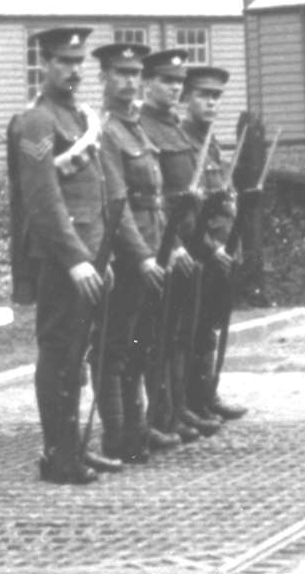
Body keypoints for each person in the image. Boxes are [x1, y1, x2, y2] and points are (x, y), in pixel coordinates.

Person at [7, 26, 112, 485]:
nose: (73, 71)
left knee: (77, 352)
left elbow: (99, 191)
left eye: (78, 62)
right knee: (59, 352)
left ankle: (74, 449)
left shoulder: (79, 117)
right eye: (63, 62)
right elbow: (43, 201)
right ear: (44, 65)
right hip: (61, 258)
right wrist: (74, 258)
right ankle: (58, 454)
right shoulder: (38, 122)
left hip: (90, 255)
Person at [90, 42, 169, 466]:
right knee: (114, 346)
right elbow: (116, 207)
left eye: (136, 73)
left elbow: (154, 200)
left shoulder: (136, 129)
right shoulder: (104, 133)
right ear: (103, 78)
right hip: (124, 258)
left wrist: (159, 252)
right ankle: (117, 436)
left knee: (141, 344)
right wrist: (140, 256)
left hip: (150, 253)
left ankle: (136, 429)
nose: (131, 81)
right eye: (121, 73)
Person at [136, 52, 219, 443]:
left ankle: (178, 408)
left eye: (177, 81)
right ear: (147, 83)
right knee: (159, 335)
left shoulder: (179, 130)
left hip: (190, 243)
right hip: (166, 245)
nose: (174, 87)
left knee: (181, 333)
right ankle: (161, 415)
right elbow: (158, 197)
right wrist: (173, 247)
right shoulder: (143, 128)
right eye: (165, 80)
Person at [181, 65, 249, 424]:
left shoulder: (213, 144)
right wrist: (211, 246)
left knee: (209, 325)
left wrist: (230, 243)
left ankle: (207, 395)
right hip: (198, 250)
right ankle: (190, 402)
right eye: (202, 96)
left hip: (220, 248)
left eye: (215, 97)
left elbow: (226, 196)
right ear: (185, 98)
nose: (210, 103)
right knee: (191, 328)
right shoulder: (184, 141)